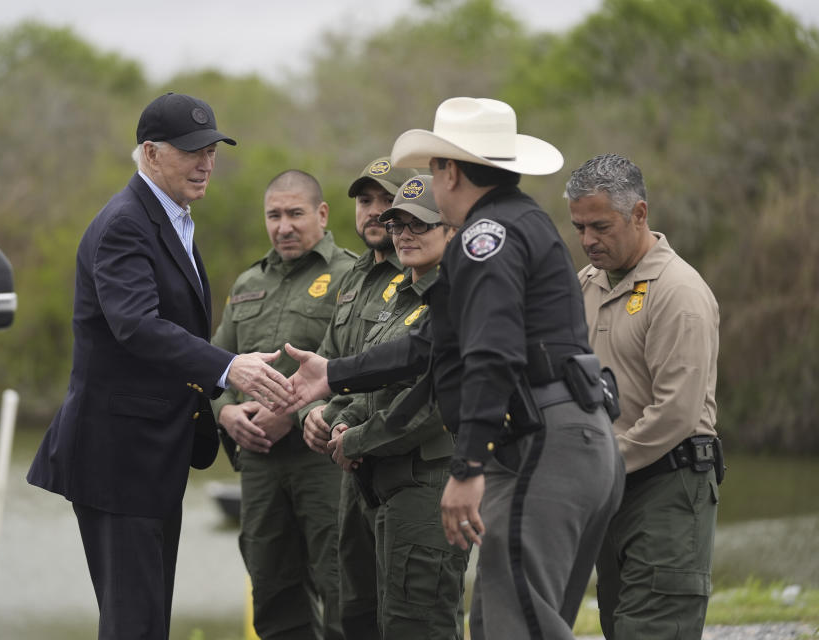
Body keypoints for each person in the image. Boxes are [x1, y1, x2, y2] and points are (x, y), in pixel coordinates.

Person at [283, 97, 624, 640]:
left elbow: (490, 356)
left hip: (545, 444)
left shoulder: (486, 239)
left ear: (450, 171)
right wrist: (334, 374)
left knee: (519, 625)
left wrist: (466, 469)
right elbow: (431, 345)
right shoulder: (517, 224)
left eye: (435, 168)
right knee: (498, 623)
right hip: (566, 440)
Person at [26, 92, 294, 640]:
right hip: (116, 459)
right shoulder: (126, 223)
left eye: (213, 149)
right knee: (134, 625)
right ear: (150, 154)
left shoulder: (172, 220)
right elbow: (136, 326)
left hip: (150, 458)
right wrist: (229, 369)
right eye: (191, 150)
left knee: (146, 624)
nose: (206, 162)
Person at [565, 154, 722, 640]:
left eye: (600, 226)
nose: (588, 240)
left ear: (639, 214)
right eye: (579, 227)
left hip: (668, 487)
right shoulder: (585, 284)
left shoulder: (679, 292)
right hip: (611, 487)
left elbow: (675, 412)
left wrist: (596, 464)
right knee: (619, 624)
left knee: (652, 629)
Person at [211, 170, 357, 640]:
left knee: (342, 589)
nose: (284, 226)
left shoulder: (351, 275)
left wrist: (288, 413)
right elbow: (217, 365)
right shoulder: (248, 281)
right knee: (271, 590)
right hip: (259, 466)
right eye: (274, 215)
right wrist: (226, 413)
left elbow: (360, 365)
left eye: (295, 213)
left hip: (324, 461)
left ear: (322, 214)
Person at [327, 175, 470, 639]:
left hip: (431, 482)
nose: (404, 235)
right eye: (396, 224)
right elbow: (376, 384)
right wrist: (344, 418)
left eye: (420, 224)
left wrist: (355, 440)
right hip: (384, 485)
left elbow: (430, 405)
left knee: (419, 624)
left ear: (452, 231)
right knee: (376, 620)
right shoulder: (396, 297)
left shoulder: (460, 299)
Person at [298, 156, 415, 640]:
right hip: (351, 472)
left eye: (387, 201)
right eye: (366, 201)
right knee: (354, 614)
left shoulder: (419, 278)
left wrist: (340, 417)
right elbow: (327, 362)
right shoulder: (354, 278)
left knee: (413, 616)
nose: (374, 212)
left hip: (404, 465)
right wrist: (310, 413)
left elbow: (400, 380)